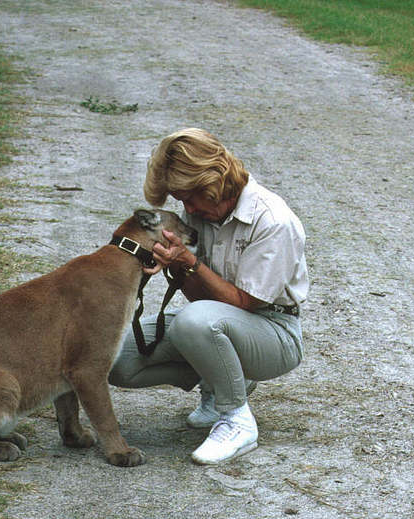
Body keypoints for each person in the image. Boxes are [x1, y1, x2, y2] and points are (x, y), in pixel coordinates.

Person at [108, 128, 309, 464]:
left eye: (190, 197)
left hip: (274, 333)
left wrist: (191, 262)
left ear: (214, 182)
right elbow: (198, 296)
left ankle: (237, 421)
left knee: (193, 322)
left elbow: (246, 303)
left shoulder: (273, 221)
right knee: (114, 357)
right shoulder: (201, 211)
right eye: (180, 199)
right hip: (215, 323)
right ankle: (221, 383)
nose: (186, 208)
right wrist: (174, 265)